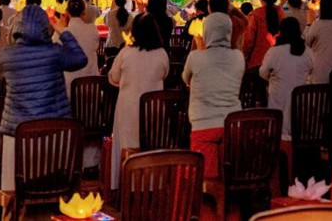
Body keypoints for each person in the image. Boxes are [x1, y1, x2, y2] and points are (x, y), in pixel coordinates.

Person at [0, 5, 87, 191]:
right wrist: (62, 31)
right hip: (54, 130)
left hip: (17, 131)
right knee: (51, 185)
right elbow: (80, 58)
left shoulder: (6, 55)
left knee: (16, 189)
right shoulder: (55, 52)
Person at [108, 15, 169, 190]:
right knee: (152, 144)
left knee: (127, 145)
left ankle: (127, 185)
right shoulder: (162, 53)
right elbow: (165, 74)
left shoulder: (126, 53)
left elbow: (114, 77)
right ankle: (152, 184)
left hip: (128, 108)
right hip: (154, 110)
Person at [183, 13, 245, 178]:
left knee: (207, 179)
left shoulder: (196, 57)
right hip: (232, 124)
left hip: (203, 124)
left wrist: (200, 47)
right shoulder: (238, 57)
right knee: (229, 177)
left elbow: (186, 78)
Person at [260, 17, 313, 141]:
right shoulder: (308, 52)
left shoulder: (275, 52)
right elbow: (312, 70)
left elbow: (263, 72)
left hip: (278, 104)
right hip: (301, 108)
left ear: (281, 31)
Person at [61, 0, 100, 96]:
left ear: (67, 12)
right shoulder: (93, 29)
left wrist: (63, 26)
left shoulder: (62, 33)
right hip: (92, 88)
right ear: (84, 12)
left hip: (69, 91)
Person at [244, 0, 284, 68]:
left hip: (258, 61)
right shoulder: (281, 13)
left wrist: (244, 57)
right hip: (278, 61)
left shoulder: (255, 15)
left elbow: (249, 40)